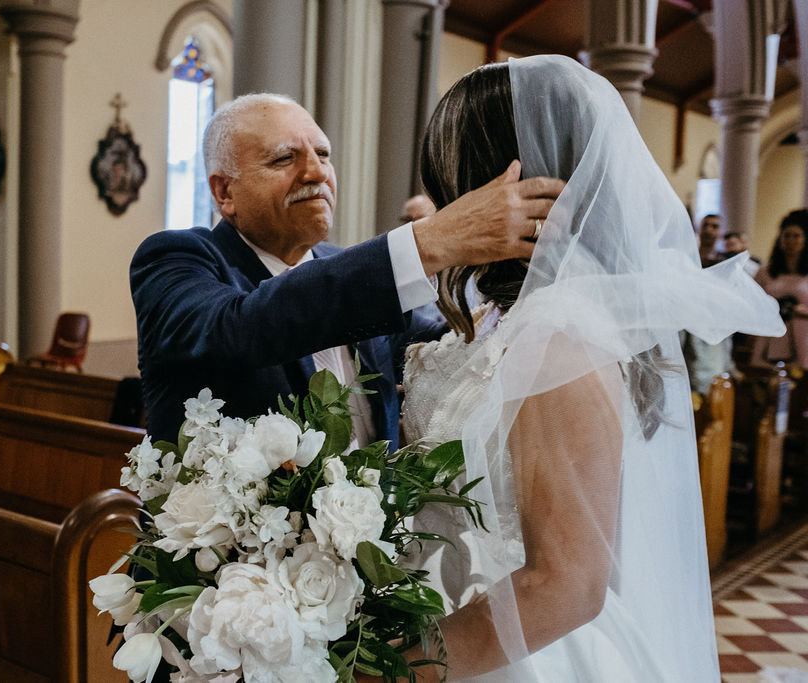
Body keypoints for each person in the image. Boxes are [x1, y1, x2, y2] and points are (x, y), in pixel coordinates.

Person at [393, 56, 783, 682]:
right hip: (449, 614)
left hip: (509, 650)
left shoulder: (558, 335)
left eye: (450, 168)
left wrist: (391, 672)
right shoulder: (507, 315)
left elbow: (565, 583)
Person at [130, 93, 564, 448]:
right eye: (284, 159)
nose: (316, 171)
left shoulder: (348, 277)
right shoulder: (177, 258)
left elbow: (444, 351)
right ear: (224, 191)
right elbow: (238, 328)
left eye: (324, 153)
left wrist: (527, 316)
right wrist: (431, 240)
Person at [750, 210, 808, 368]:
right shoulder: (765, 273)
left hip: (802, 340)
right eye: (786, 235)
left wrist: (802, 312)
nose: (791, 241)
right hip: (770, 340)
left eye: (796, 236)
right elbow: (752, 303)